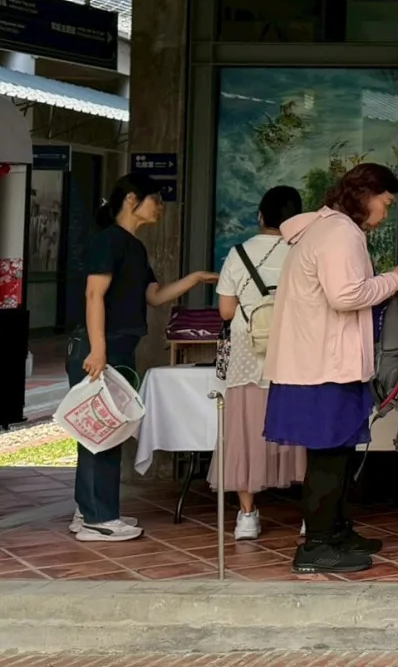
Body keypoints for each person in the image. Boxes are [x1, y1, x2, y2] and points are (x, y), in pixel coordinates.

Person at [265, 164, 398, 573]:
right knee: (329, 457)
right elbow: (346, 295)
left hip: (317, 363)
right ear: (366, 195)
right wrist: (395, 280)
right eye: (386, 203)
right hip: (324, 367)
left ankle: (335, 531)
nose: (386, 213)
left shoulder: (323, 228)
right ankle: (316, 546)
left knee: (337, 454)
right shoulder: (340, 233)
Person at [69, 173, 221, 543]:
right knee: (102, 430)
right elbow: (94, 295)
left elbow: (154, 296)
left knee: (104, 428)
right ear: (131, 199)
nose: (161, 207)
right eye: (156, 199)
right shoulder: (109, 241)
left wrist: (194, 279)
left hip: (119, 347)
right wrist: (98, 349)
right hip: (101, 347)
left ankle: (89, 511)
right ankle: (98, 518)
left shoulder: (134, 247)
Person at [215, 185, 308, 541]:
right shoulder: (303, 252)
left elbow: (226, 311)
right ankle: (310, 516)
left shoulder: (238, 254)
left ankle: (247, 516)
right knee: (304, 434)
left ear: (260, 216)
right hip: (294, 356)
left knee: (245, 432)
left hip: (247, 358)